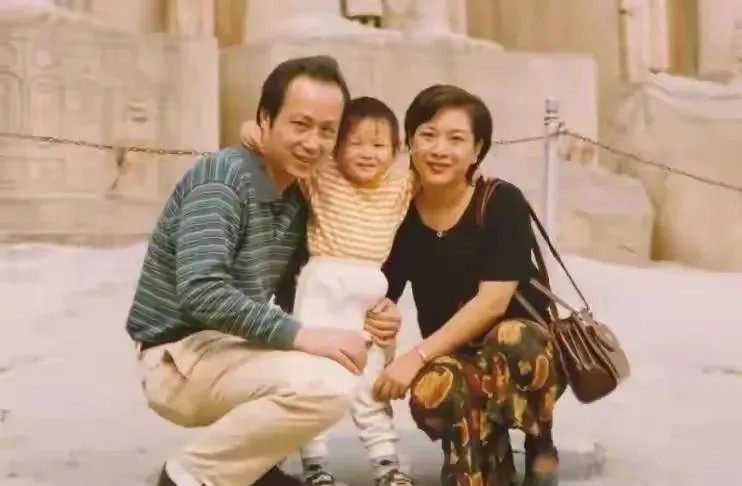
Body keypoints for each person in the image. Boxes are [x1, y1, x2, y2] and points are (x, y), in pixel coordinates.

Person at [125, 55, 401, 486]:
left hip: (228, 347)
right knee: (327, 383)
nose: (312, 142)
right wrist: (305, 336)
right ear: (265, 120)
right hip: (177, 356)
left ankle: (253, 472)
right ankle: (185, 477)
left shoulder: (296, 194)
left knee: (335, 363)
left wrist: (374, 311)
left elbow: (300, 287)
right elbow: (202, 292)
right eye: (300, 124)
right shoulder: (221, 180)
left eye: (327, 130)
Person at [372, 85, 565, 486]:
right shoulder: (399, 211)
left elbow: (493, 302)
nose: (439, 149)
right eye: (428, 135)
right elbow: (383, 288)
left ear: (477, 150)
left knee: (513, 339)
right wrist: (382, 312)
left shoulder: (500, 202)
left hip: (524, 353)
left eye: (456, 139)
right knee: (433, 390)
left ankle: (538, 436)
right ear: (409, 141)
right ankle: (487, 457)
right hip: (456, 354)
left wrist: (415, 356)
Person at [240, 96, 416, 486]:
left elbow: (445, 175)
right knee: (312, 375)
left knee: (369, 378)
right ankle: (315, 465)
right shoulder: (322, 174)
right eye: (356, 143)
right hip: (323, 281)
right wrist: (255, 131)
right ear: (336, 147)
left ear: (396, 151)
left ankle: (387, 464)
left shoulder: (401, 185)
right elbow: (261, 140)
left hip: (370, 287)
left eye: (378, 144)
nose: (367, 153)